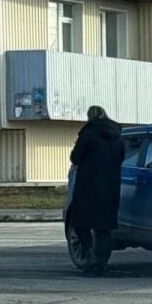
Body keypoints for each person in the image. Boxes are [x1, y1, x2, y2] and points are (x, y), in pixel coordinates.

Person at [65, 106, 125, 276]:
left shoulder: (88, 134)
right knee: (104, 228)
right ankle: (102, 263)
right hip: (111, 188)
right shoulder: (117, 136)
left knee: (80, 223)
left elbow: (75, 158)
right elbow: (121, 158)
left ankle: (90, 256)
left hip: (88, 188)